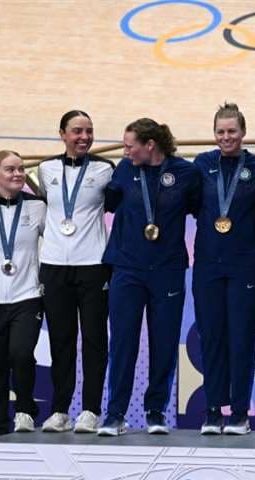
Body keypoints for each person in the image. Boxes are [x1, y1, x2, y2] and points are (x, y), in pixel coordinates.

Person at [98, 118, 201, 436]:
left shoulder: (185, 173)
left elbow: (200, 210)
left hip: (168, 270)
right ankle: (115, 413)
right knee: (123, 342)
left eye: (130, 146)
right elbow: (109, 205)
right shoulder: (124, 169)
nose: (124, 151)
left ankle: (155, 410)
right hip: (127, 269)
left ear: (150, 145)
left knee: (164, 343)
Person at [192, 102, 255, 435]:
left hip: (245, 266)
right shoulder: (201, 165)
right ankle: (212, 409)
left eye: (232, 131)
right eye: (221, 132)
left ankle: (239, 411)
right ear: (214, 134)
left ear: (243, 132)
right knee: (212, 338)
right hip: (207, 265)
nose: (226, 137)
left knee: (242, 339)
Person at [37, 110, 113, 434]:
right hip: (54, 265)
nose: (84, 137)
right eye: (77, 131)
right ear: (62, 133)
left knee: (94, 340)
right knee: (61, 341)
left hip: (93, 264)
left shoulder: (105, 169)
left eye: (89, 131)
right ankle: (59, 410)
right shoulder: (45, 169)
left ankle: (91, 410)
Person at [0, 151, 46, 437]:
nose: (17, 174)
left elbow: (55, 240)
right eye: (10, 169)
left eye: (21, 169)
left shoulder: (38, 207)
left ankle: (25, 409)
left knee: (21, 353)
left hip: (27, 295)